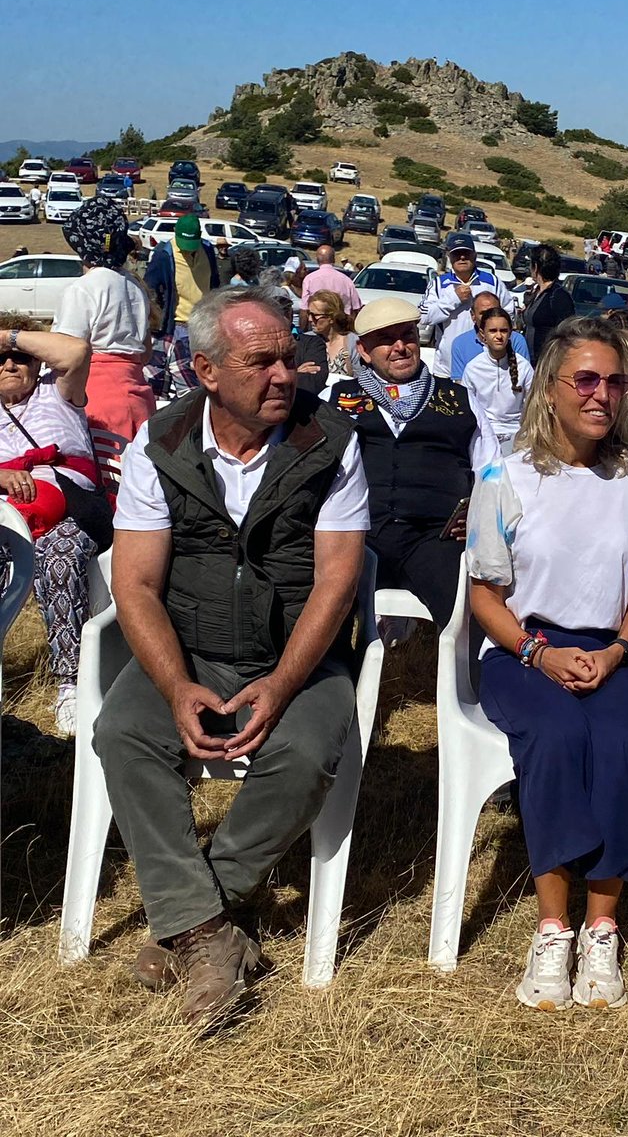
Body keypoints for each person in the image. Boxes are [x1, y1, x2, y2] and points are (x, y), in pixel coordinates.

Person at [92, 286, 370, 1024]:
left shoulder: (329, 442)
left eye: (289, 357)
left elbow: (337, 582)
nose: (285, 374)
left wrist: (282, 682)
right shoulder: (160, 444)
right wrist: (175, 685)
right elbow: (135, 584)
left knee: (305, 752)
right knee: (123, 732)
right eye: (262, 362)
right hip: (192, 648)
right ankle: (211, 933)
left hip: (296, 655)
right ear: (207, 371)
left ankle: (189, 918)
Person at [467, 317, 628, 1010]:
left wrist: (618, 650)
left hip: (613, 646)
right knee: (557, 736)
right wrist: (539, 653)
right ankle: (552, 928)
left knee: (620, 745)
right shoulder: (506, 475)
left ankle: (601, 928)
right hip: (523, 648)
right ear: (551, 388)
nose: (602, 394)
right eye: (585, 380)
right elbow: (484, 593)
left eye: (614, 382)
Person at [331, 297, 498, 629]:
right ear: (364, 351)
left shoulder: (460, 399)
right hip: (359, 536)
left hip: (434, 538)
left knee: (474, 619)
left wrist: (478, 515)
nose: (400, 347)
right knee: (326, 613)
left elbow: (491, 470)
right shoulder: (336, 400)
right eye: (385, 340)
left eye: (407, 335)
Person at [0, 313, 105, 736]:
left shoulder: (57, 391)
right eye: (0, 359)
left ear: (37, 362)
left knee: (57, 555)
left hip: (73, 509)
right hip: (10, 514)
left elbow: (77, 351)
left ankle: (70, 682)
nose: (10, 365)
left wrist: (8, 336)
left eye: (20, 357)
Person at [54, 197, 155, 439]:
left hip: (95, 399)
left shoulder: (83, 289)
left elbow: (67, 354)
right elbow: (145, 352)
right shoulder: (135, 287)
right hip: (139, 395)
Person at [144, 214, 219, 399]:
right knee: (155, 384)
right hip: (171, 327)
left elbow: (215, 284)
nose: (188, 249)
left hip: (200, 326)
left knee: (192, 387)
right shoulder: (164, 255)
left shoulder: (208, 251)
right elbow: (150, 288)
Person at [420, 232, 516, 376]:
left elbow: (510, 316)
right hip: (447, 368)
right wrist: (453, 299)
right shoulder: (439, 284)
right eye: (456, 254)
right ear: (449, 256)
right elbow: (423, 316)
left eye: (466, 253)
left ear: (474, 255)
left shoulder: (492, 282)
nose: (462, 257)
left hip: (486, 367)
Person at [461, 306, 533, 453]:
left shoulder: (524, 367)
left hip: (517, 434)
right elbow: (467, 409)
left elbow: (533, 406)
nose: (499, 336)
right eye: (493, 331)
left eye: (504, 331)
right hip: (483, 434)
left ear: (510, 333)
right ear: (483, 334)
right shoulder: (473, 368)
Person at [449, 290, 529, 381]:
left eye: (493, 311)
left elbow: (525, 377)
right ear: (473, 315)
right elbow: (460, 383)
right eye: (483, 313)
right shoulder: (460, 344)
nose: (488, 317)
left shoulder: (517, 340)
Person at [521, 243, 574, 362]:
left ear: (536, 267)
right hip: (529, 360)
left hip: (547, 361)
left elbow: (568, 332)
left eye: (530, 264)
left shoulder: (558, 296)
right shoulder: (537, 291)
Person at [301, 245, 361, 322]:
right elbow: (356, 308)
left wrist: (303, 328)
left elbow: (304, 309)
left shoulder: (309, 280)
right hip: (341, 323)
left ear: (317, 260)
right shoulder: (346, 280)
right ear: (333, 259)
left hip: (317, 322)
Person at [306, 289, 354, 377]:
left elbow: (361, 376)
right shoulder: (306, 341)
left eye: (314, 315)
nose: (309, 319)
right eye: (308, 314)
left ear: (332, 318)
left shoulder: (353, 343)